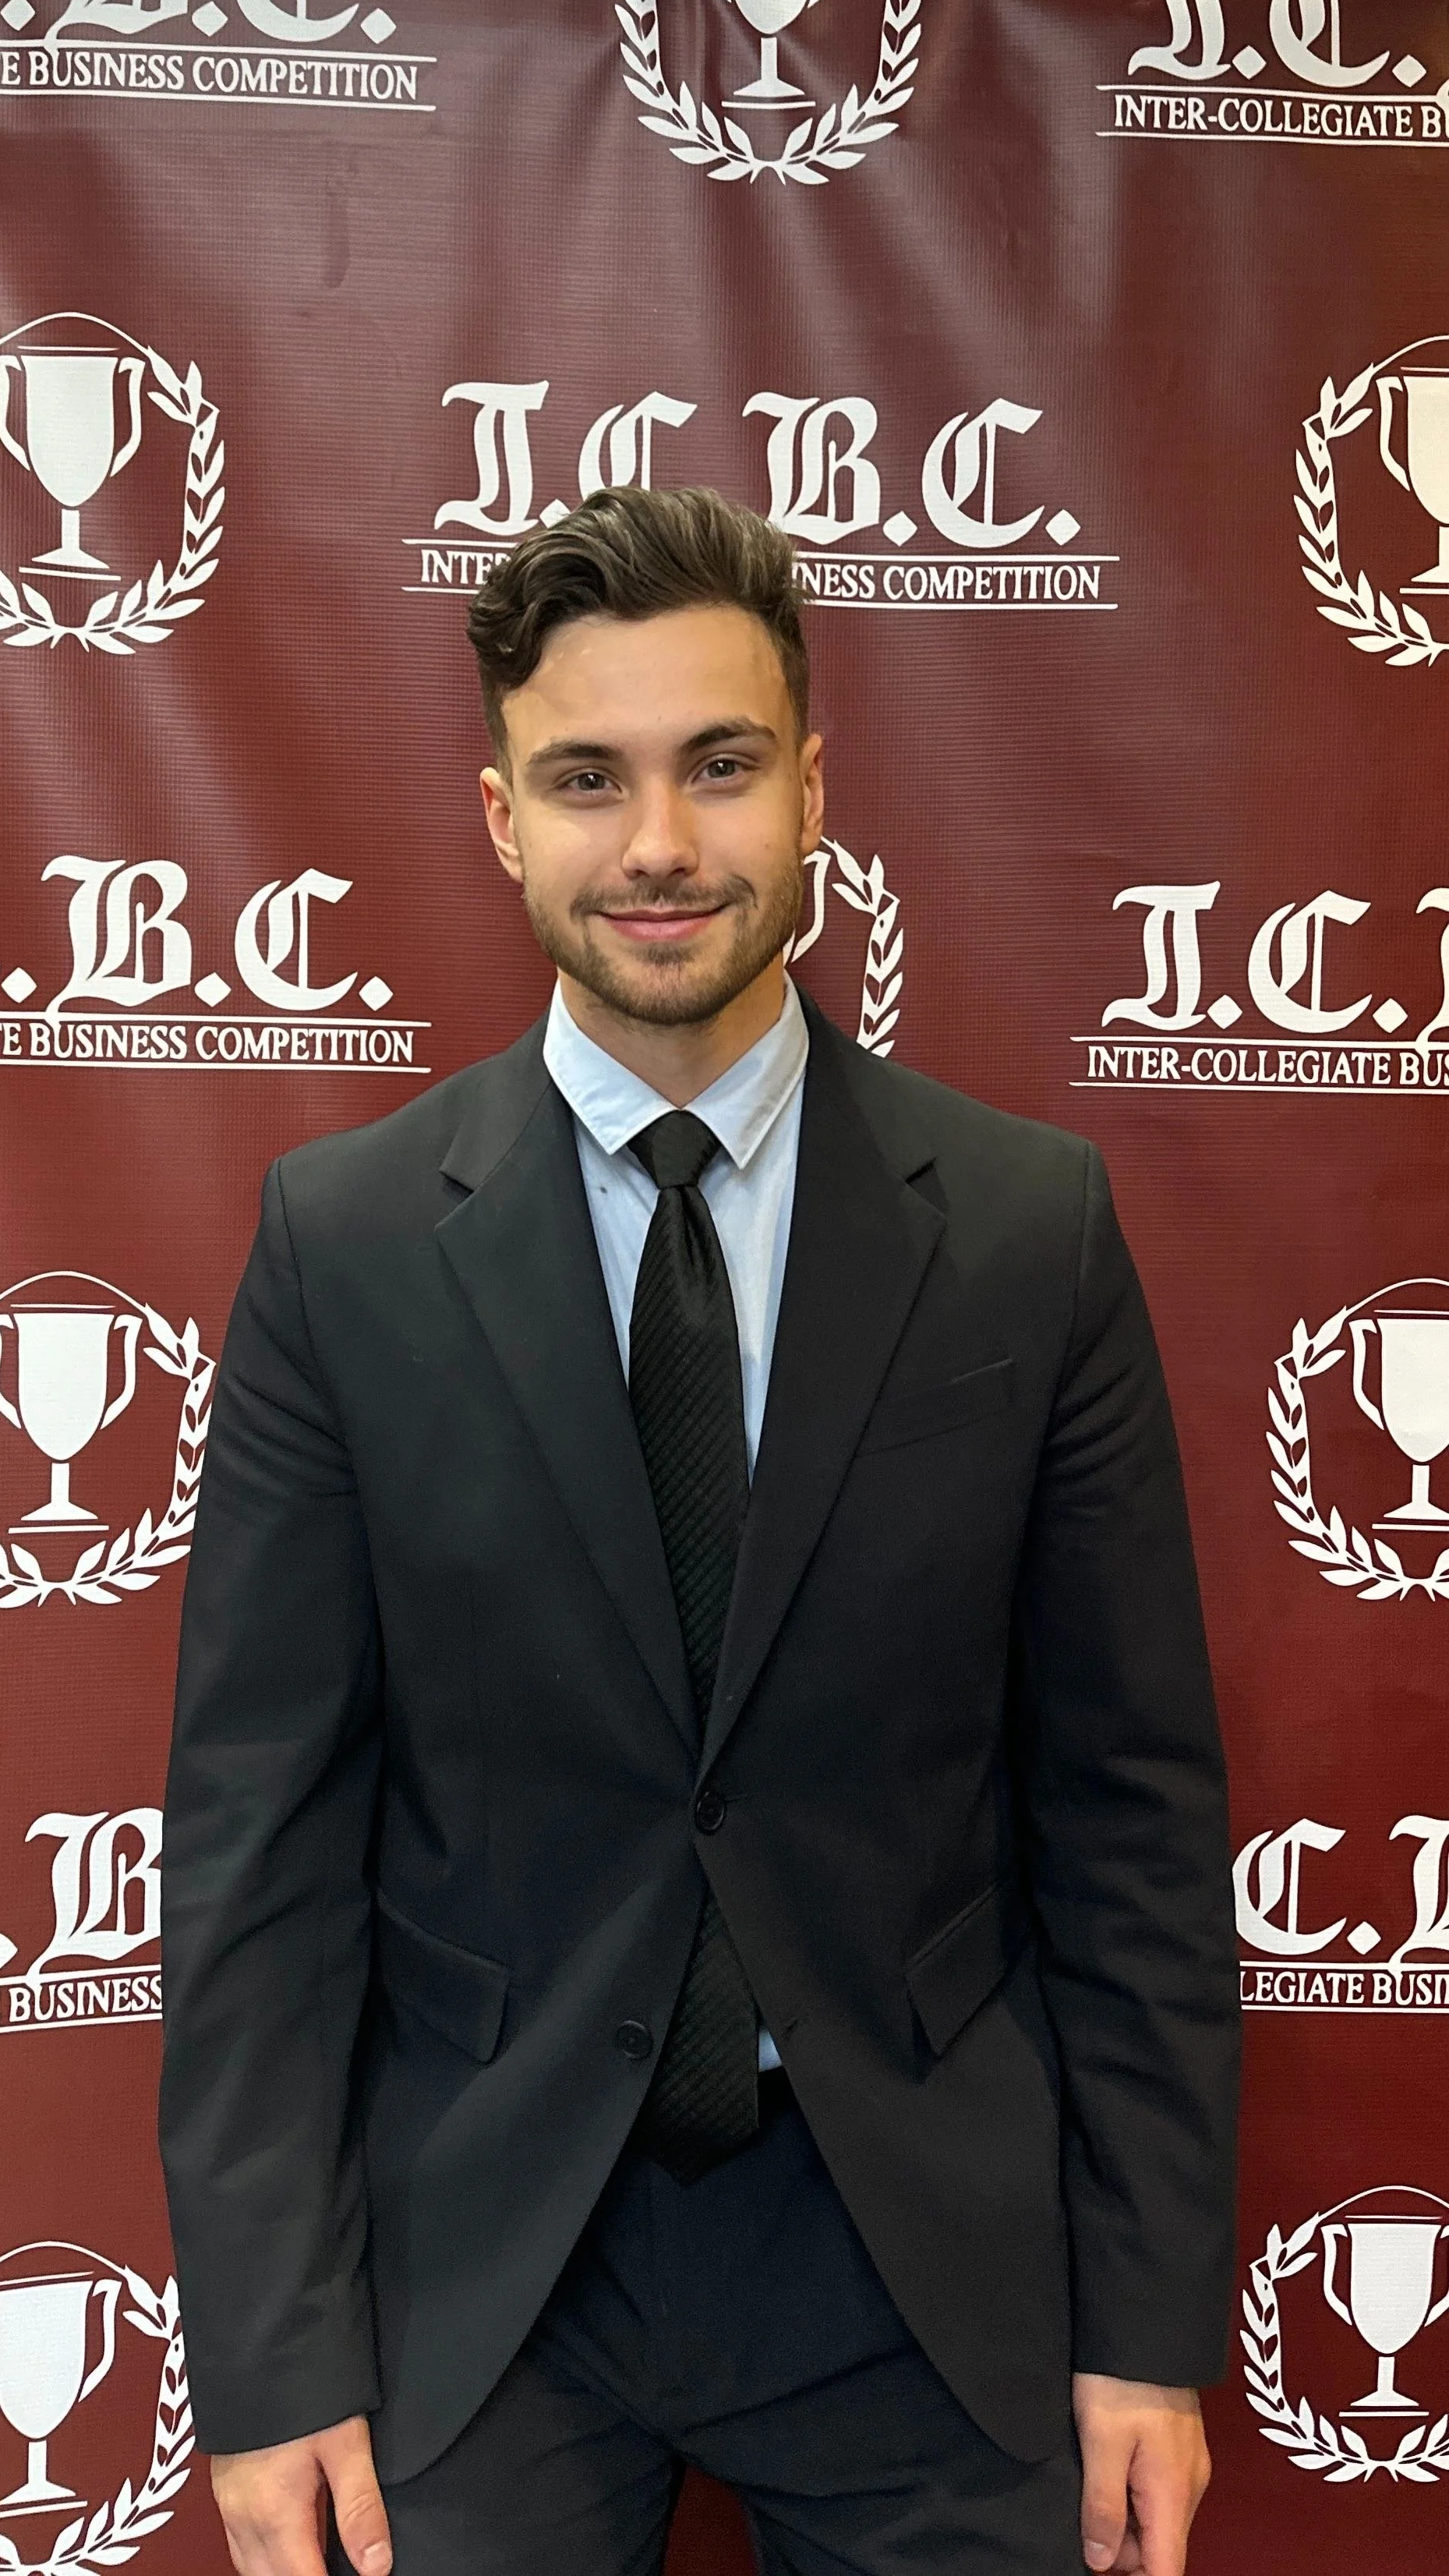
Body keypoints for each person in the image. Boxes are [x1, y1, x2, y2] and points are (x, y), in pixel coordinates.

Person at [159, 485, 1240, 2576]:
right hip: (489, 2275)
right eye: (586, 776)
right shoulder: (346, 1246)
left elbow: (1129, 1824)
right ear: (499, 816)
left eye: (718, 762)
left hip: (924, 2268)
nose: (656, 839)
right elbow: (261, 1843)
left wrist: (1144, 2332)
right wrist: (274, 2354)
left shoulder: (1027, 1235)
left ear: (813, 784)